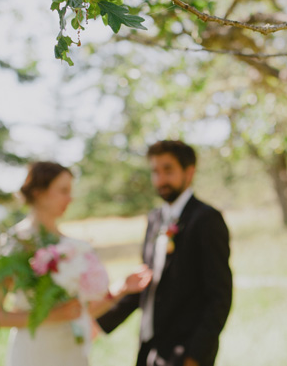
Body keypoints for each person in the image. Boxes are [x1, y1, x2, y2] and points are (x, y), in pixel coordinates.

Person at [0, 161, 152, 366]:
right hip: (33, 352)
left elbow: (82, 311)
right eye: (63, 190)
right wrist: (54, 316)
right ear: (39, 192)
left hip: (72, 352)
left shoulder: (75, 247)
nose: (70, 198)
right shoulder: (13, 245)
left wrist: (120, 290)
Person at [97, 141, 233, 366]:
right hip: (149, 345)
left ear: (189, 172)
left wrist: (196, 356)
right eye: (155, 172)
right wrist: (98, 321)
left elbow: (220, 296)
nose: (160, 180)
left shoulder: (206, 219)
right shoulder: (155, 218)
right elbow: (148, 281)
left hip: (184, 350)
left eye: (168, 170)